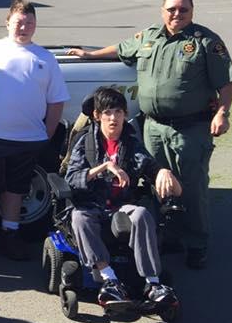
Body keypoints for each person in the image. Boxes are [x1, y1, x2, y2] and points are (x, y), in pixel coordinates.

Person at [67, 0, 232, 269]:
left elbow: (228, 82)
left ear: (191, 12)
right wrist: (90, 54)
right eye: (171, 9)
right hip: (153, 127)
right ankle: (168, 235)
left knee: (190, 186)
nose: (177, 14)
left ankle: (196, 244)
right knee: (155, 181)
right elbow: (122, 47)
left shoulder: (205, 41)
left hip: (190, 127)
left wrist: (222, 113)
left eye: (183, 10)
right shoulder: (149, 37)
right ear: (162, 11)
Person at [0, 0, 69, 261]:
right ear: (7, 22)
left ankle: (10, 235)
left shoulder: (46, 58)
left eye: (30, 22)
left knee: (16, 190)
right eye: (19, 22)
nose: (24, 27)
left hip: (28, 140)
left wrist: (47, 135)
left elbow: (56, 100)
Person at [65, 87, 182, 308]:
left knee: (141, 214)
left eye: (118, 112)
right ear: (97, 116)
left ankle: (153, 283)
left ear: (124, 115)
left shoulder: (131, 144)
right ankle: (109, 279)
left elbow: (150, 167)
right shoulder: (86, 142)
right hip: (91, 204)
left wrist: (163, 172)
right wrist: (105, 167)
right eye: (107, 113)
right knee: (79, 218)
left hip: (121, 206)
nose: (113, 118)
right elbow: (71, 177)